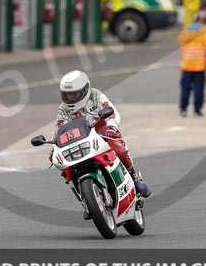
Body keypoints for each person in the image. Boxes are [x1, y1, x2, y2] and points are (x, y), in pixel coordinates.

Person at [53, 70, 151, 205]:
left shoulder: (96, 96)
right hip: (79, 142)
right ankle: (84, 199)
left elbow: (112, 113)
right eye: (67, 95)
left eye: (74, 94)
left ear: (85, 89)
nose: (70, 98)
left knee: (118, 149)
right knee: (66, 167)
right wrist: (56, 145)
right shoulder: (63, 109)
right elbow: (59, 128)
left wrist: (111, 127)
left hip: (102, 133)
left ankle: (135, 179)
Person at [177, 9, 206, 117]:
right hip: (200, 64)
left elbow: (180, 42)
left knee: (185, 88)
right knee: (199, 88)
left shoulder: (187, 29)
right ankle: (197, 110)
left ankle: (183, 109)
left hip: (186, 63)